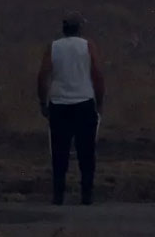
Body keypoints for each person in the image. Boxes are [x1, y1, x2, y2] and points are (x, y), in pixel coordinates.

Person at [36, 12, 105, 205]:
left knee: (59, 152)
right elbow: (97, 74)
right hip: (84, 101)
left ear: (63, 30)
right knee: (87, 151)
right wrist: (99, 101)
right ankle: (86, 194)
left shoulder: (53, 47)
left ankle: (58, 194)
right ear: (79, 29)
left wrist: (43, 101)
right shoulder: (88, 46)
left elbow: (43, 76)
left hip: (59, 104)